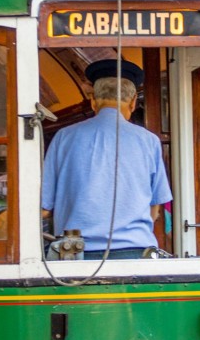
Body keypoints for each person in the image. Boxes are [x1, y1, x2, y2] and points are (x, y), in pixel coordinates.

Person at [41, 59, 173, 259]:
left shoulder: (64, 138)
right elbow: (155, 208)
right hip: (136, 253)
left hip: (75, 254)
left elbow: (44, 208)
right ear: (133, 101)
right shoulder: (149, 141)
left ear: (93, 100)